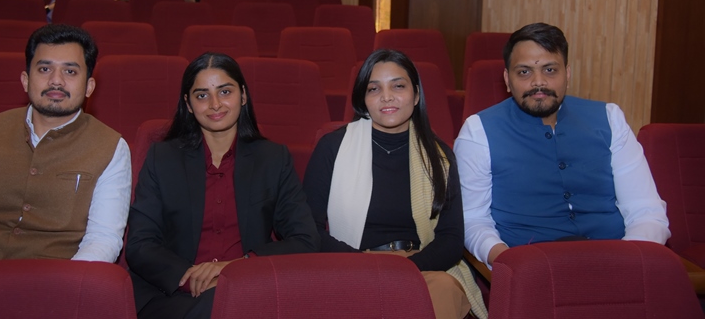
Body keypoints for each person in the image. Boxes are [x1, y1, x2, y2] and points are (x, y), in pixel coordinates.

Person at [0, 24, 132, 268]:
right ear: (26, 80)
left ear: (89, 86)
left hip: (53, 280)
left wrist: (69, 286)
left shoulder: (111, 148)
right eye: (45, 69)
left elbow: (102, 238)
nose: (56, 81)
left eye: (70, 71)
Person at [454, 22, 670, 269]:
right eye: (524, 72)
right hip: (532, 268)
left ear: (567, 74)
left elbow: (646, 211)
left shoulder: (610, 119)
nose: (538, 82)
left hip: (617, 261)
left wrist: (627, 262)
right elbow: (473, 219)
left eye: (550, 70)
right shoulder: (478, 131)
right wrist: (505, 260)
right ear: (507, 79)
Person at [127, 52, 319, 319]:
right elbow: (140, 244)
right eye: (202, 95)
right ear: (188, 104)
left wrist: (236, 268)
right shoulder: (162, 159)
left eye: (225, 92)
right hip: (173, 295)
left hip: (248, 288)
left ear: (243, 95)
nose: (215, 104)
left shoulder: (273, 159)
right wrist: (190, 278)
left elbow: (304, 240)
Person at [303, 49, 486, 319]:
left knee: (443, 289)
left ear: (416, 94)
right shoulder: (333, 148)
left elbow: (451, 238)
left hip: (421, 267)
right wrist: (365, 265)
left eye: (398, 86)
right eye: (374, 89)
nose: (386, 96)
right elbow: (309, 229)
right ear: (363, 100)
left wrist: (407, 268)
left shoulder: (439, 156)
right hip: (354, 265)